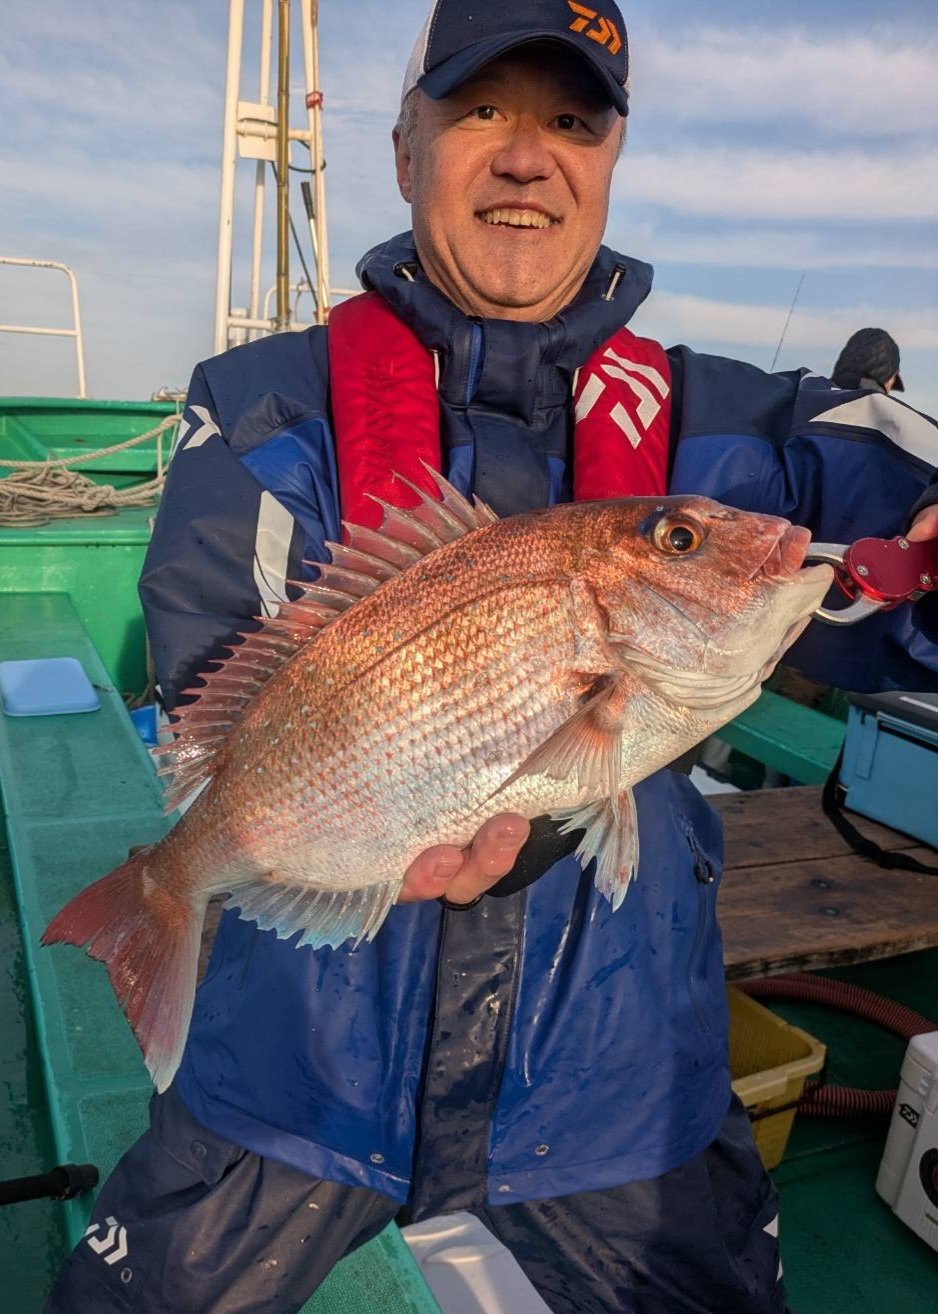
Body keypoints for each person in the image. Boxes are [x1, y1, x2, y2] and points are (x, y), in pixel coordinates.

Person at [45, 4, 938, 1312]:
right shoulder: (256, 410)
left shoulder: (731, 424)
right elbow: (216, 674)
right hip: (298, 1067)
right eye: (480, 110)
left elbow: (883, 506)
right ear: (403, 146)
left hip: (619, 1090)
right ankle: (162, 910)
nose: (527, 156)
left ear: (611, 155)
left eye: (570, 119)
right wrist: (240, 837)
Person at [831, 326, 905, 395]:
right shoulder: (883, 404)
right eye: (893, 383)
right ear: (889, 379)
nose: (889, 391)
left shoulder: (824, 398)